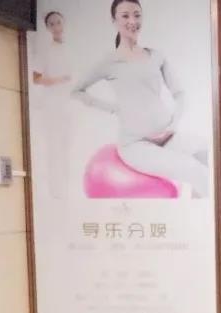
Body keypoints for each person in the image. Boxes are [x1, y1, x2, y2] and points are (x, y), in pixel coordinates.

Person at [72, 0, 210, 197]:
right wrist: (114, 108)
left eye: (137, 15)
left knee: (206, 151)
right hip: (136, 144)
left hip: (167, 137)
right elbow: (77, 90)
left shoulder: (156, 56)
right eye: (125, 16)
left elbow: (180, 93)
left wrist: (173, 124)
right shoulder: (109, 62)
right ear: (114, 21)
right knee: (195, 170)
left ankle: (199, 210)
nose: (132, 21)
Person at [31, 11, 72, 199]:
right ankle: (56, 191)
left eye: (58, 22)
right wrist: (59, 80)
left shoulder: (70, 48)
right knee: (54, 146)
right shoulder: (46, 51)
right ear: (47, 28)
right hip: (53, 104)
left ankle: (68, 187)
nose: (56, 26)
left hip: (69, 103)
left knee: (68, 145)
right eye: (52, 24)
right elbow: (36, 78)